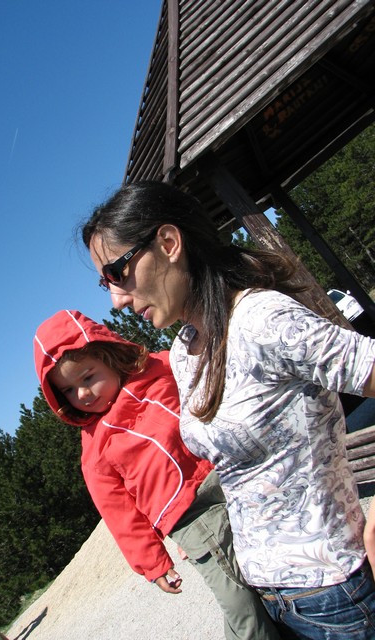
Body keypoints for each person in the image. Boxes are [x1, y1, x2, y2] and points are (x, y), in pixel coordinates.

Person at [82, 180, 375, 639]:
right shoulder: (184, 351)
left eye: (117, 274)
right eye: (106, 283)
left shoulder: (261, 320)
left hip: (333, 596)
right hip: (270, 598)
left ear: (169, 243)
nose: (116, 299)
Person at [33, 309, 281, 640]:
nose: (82, 394)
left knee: (276, 573)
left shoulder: (160, 368)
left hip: (233, 478)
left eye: (88, 377)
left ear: (110, 356)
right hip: (191, 520)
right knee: (240, 602)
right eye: (67, 391)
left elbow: (211, 376)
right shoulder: (95, 447)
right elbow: (118, 511)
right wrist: (152, 563)